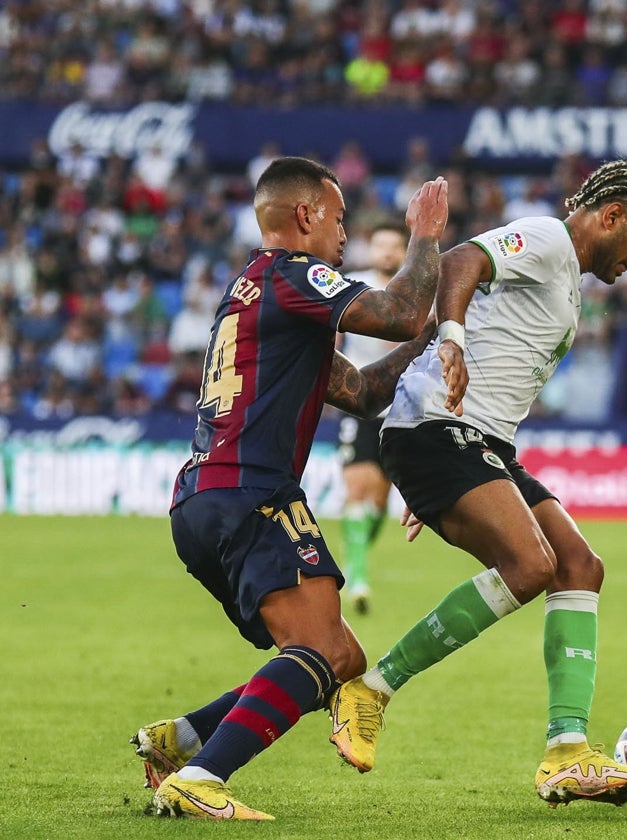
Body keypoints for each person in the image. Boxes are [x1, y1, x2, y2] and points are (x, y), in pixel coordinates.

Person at [327, 159, 627, 807]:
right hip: (438, 431)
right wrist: (450, 339)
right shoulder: (546, 237)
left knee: (578, 566)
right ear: (612, 216)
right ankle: (371, 690)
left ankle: (567, 752)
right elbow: (459, 262)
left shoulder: (565, 279)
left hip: (473, 447)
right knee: (530, 563)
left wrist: (458, 489)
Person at [130, 157, 458, 820]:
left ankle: (179, 740)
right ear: (305, 216)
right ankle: (200, 776)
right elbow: (396, 310)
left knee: (338, 655)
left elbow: (361, 392)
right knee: (320, 653)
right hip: (254, 493)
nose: (343, 237)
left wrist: (432, 337)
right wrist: (427, 239)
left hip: (201, 499)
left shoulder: (248, 293)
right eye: (338, 220)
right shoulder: (291, 274)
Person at [337, 222, 411, 615]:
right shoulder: (354, 287)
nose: (386, 252)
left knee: (380, 502)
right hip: (358, 402)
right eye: (379, 244)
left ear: (404, 252)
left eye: (394, 246)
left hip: (399, 408)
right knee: (356, 490)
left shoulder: (416, 292)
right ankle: (359, 579)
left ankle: (356, 559)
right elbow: (332, 335)